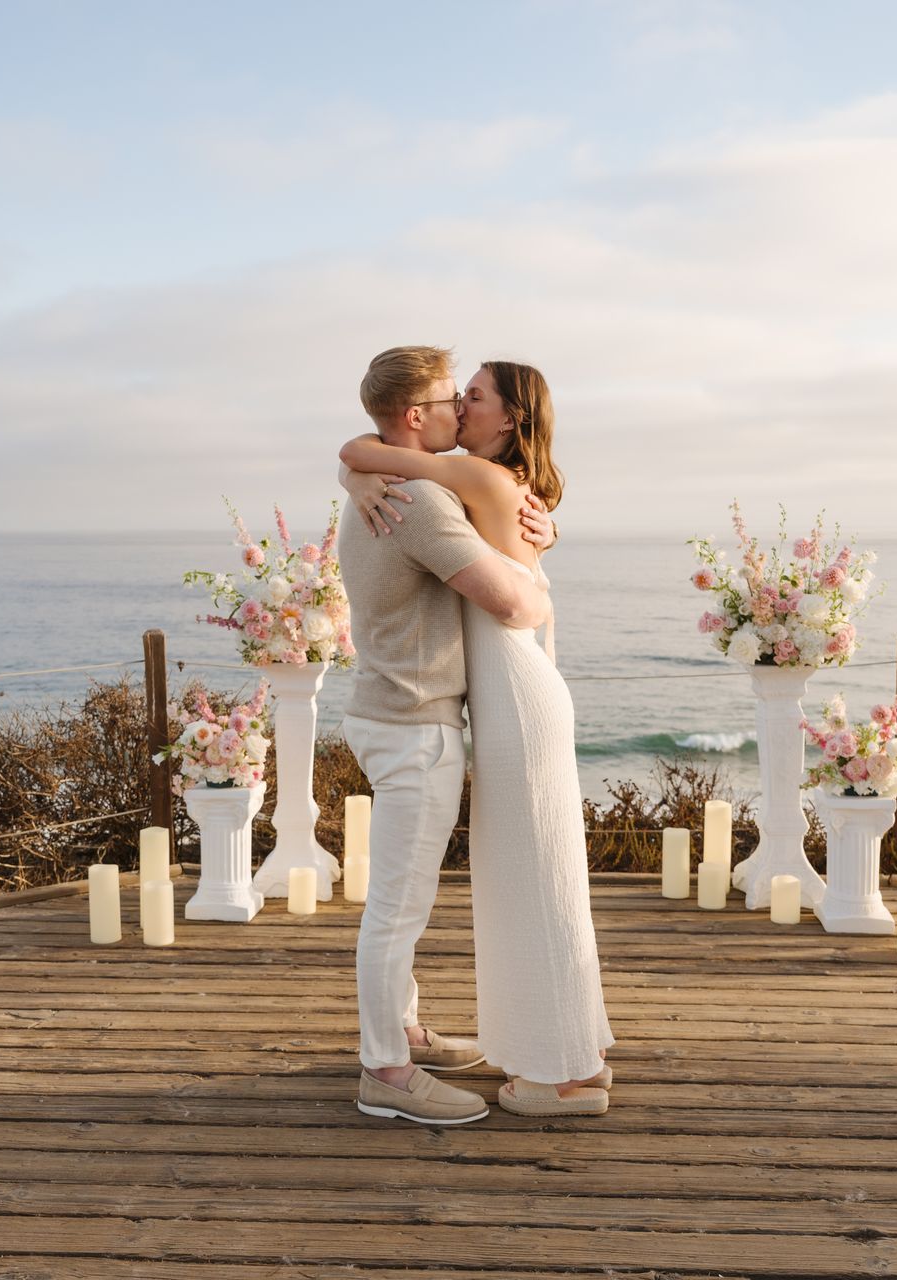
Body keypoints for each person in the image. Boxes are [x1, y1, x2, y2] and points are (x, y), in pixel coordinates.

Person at [341, 353, 615, 1119]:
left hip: (515, 696)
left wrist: (359, 466)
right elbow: (367, 452)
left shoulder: (471, 483)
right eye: (450, 395)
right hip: (492, 700)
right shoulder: (446, 485)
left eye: (474, 396)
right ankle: (565, 1057)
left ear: (512, 418)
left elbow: (521, 606)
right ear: (416, 414)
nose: (460, 405)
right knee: (531, 879)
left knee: (536, 881)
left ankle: (560, 1068)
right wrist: (357, 470)